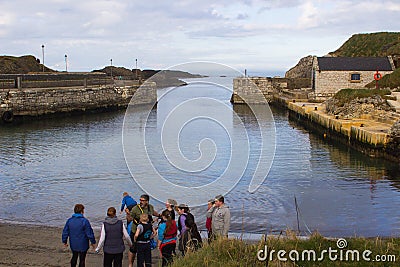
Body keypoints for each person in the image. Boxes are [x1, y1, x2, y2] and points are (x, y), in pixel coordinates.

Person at [128, 194, 159, 267]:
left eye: (143, 200)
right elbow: (130, 217)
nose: (141, 202)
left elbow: (153, 212)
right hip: (135, 230)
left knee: (146, 249)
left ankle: (145, 264)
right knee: (133, 249)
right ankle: (130, 264)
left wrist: (159, 215)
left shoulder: (150, 207)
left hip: (146, 231)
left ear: (147, 201)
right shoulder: (135, 208)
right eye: (140, 200)